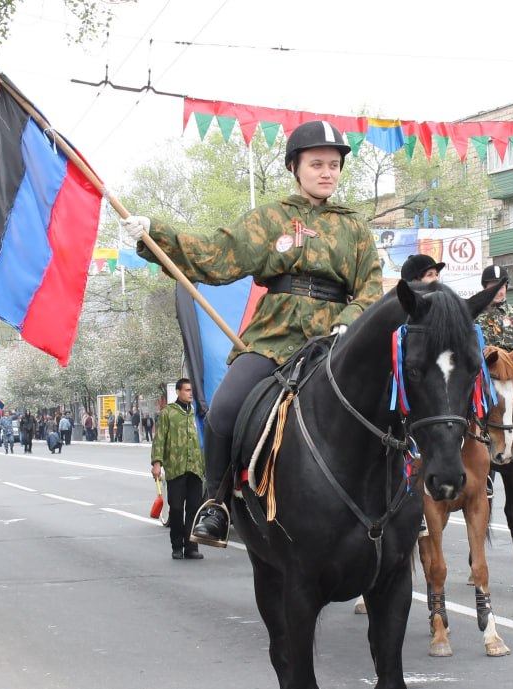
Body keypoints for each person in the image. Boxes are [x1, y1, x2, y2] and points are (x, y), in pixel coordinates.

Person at [123, 119, 381, 548]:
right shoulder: (270, 219)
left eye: (334, 165)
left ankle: (407, 496)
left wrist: (351, 319)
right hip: (275, 338)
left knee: (400, 401)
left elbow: (372, 287)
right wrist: (155, 235)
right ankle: (217, 505)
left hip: (337, 339)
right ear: (295, 167)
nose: (326, 172)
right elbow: (216, 255)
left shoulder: (355, 228)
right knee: (224, 411)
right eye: (316, 163)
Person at [152, 378, 207, 560]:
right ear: (178, 391)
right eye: (187, 390)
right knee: (176, 509)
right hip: (176, 468)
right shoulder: (168, 412)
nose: (190, 393)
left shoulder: (197, 413)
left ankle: (191, 547)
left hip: (195, 468)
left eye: (192, 390)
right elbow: (159, 439)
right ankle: (177, 546)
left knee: (193, 509)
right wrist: (157, 463)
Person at [477, 264, 513, 368]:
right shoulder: (475, 316)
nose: (497, 292)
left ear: (506, 288)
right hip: (485, 374)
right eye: (493, 287)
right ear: (485, 288)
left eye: (500, 287)